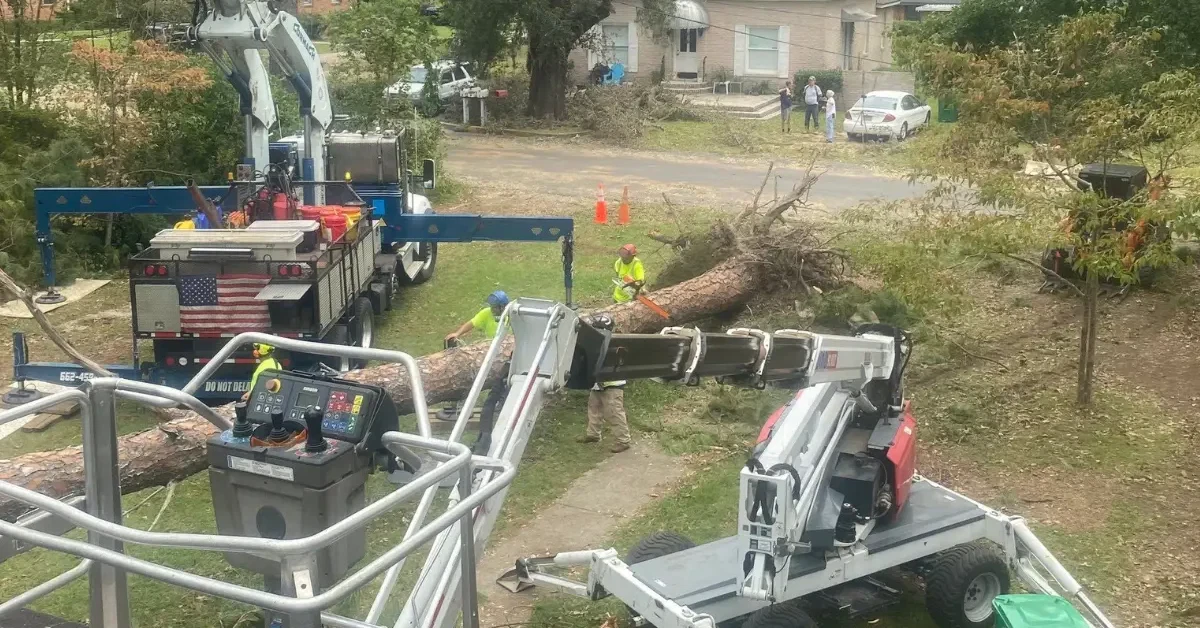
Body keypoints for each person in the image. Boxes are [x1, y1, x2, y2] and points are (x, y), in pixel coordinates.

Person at [444, 290, 512, 454]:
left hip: (510, 359)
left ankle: (500, 420)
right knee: (491, 399)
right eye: (493, 307)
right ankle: (484, 437)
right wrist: (457, 333)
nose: (493, 310)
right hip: (491, 357)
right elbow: (472, 323)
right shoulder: (487, 313)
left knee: (503, 394)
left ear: (503, 307)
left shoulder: (513, 316)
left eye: (496, 308)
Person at [577, 313, 631, 453]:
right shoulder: (596, 342)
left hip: (612, 384)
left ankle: (623, 440)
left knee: (614, 412)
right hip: (597, 383)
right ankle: (593, 434)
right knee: (594, 409)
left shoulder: (611, 343)